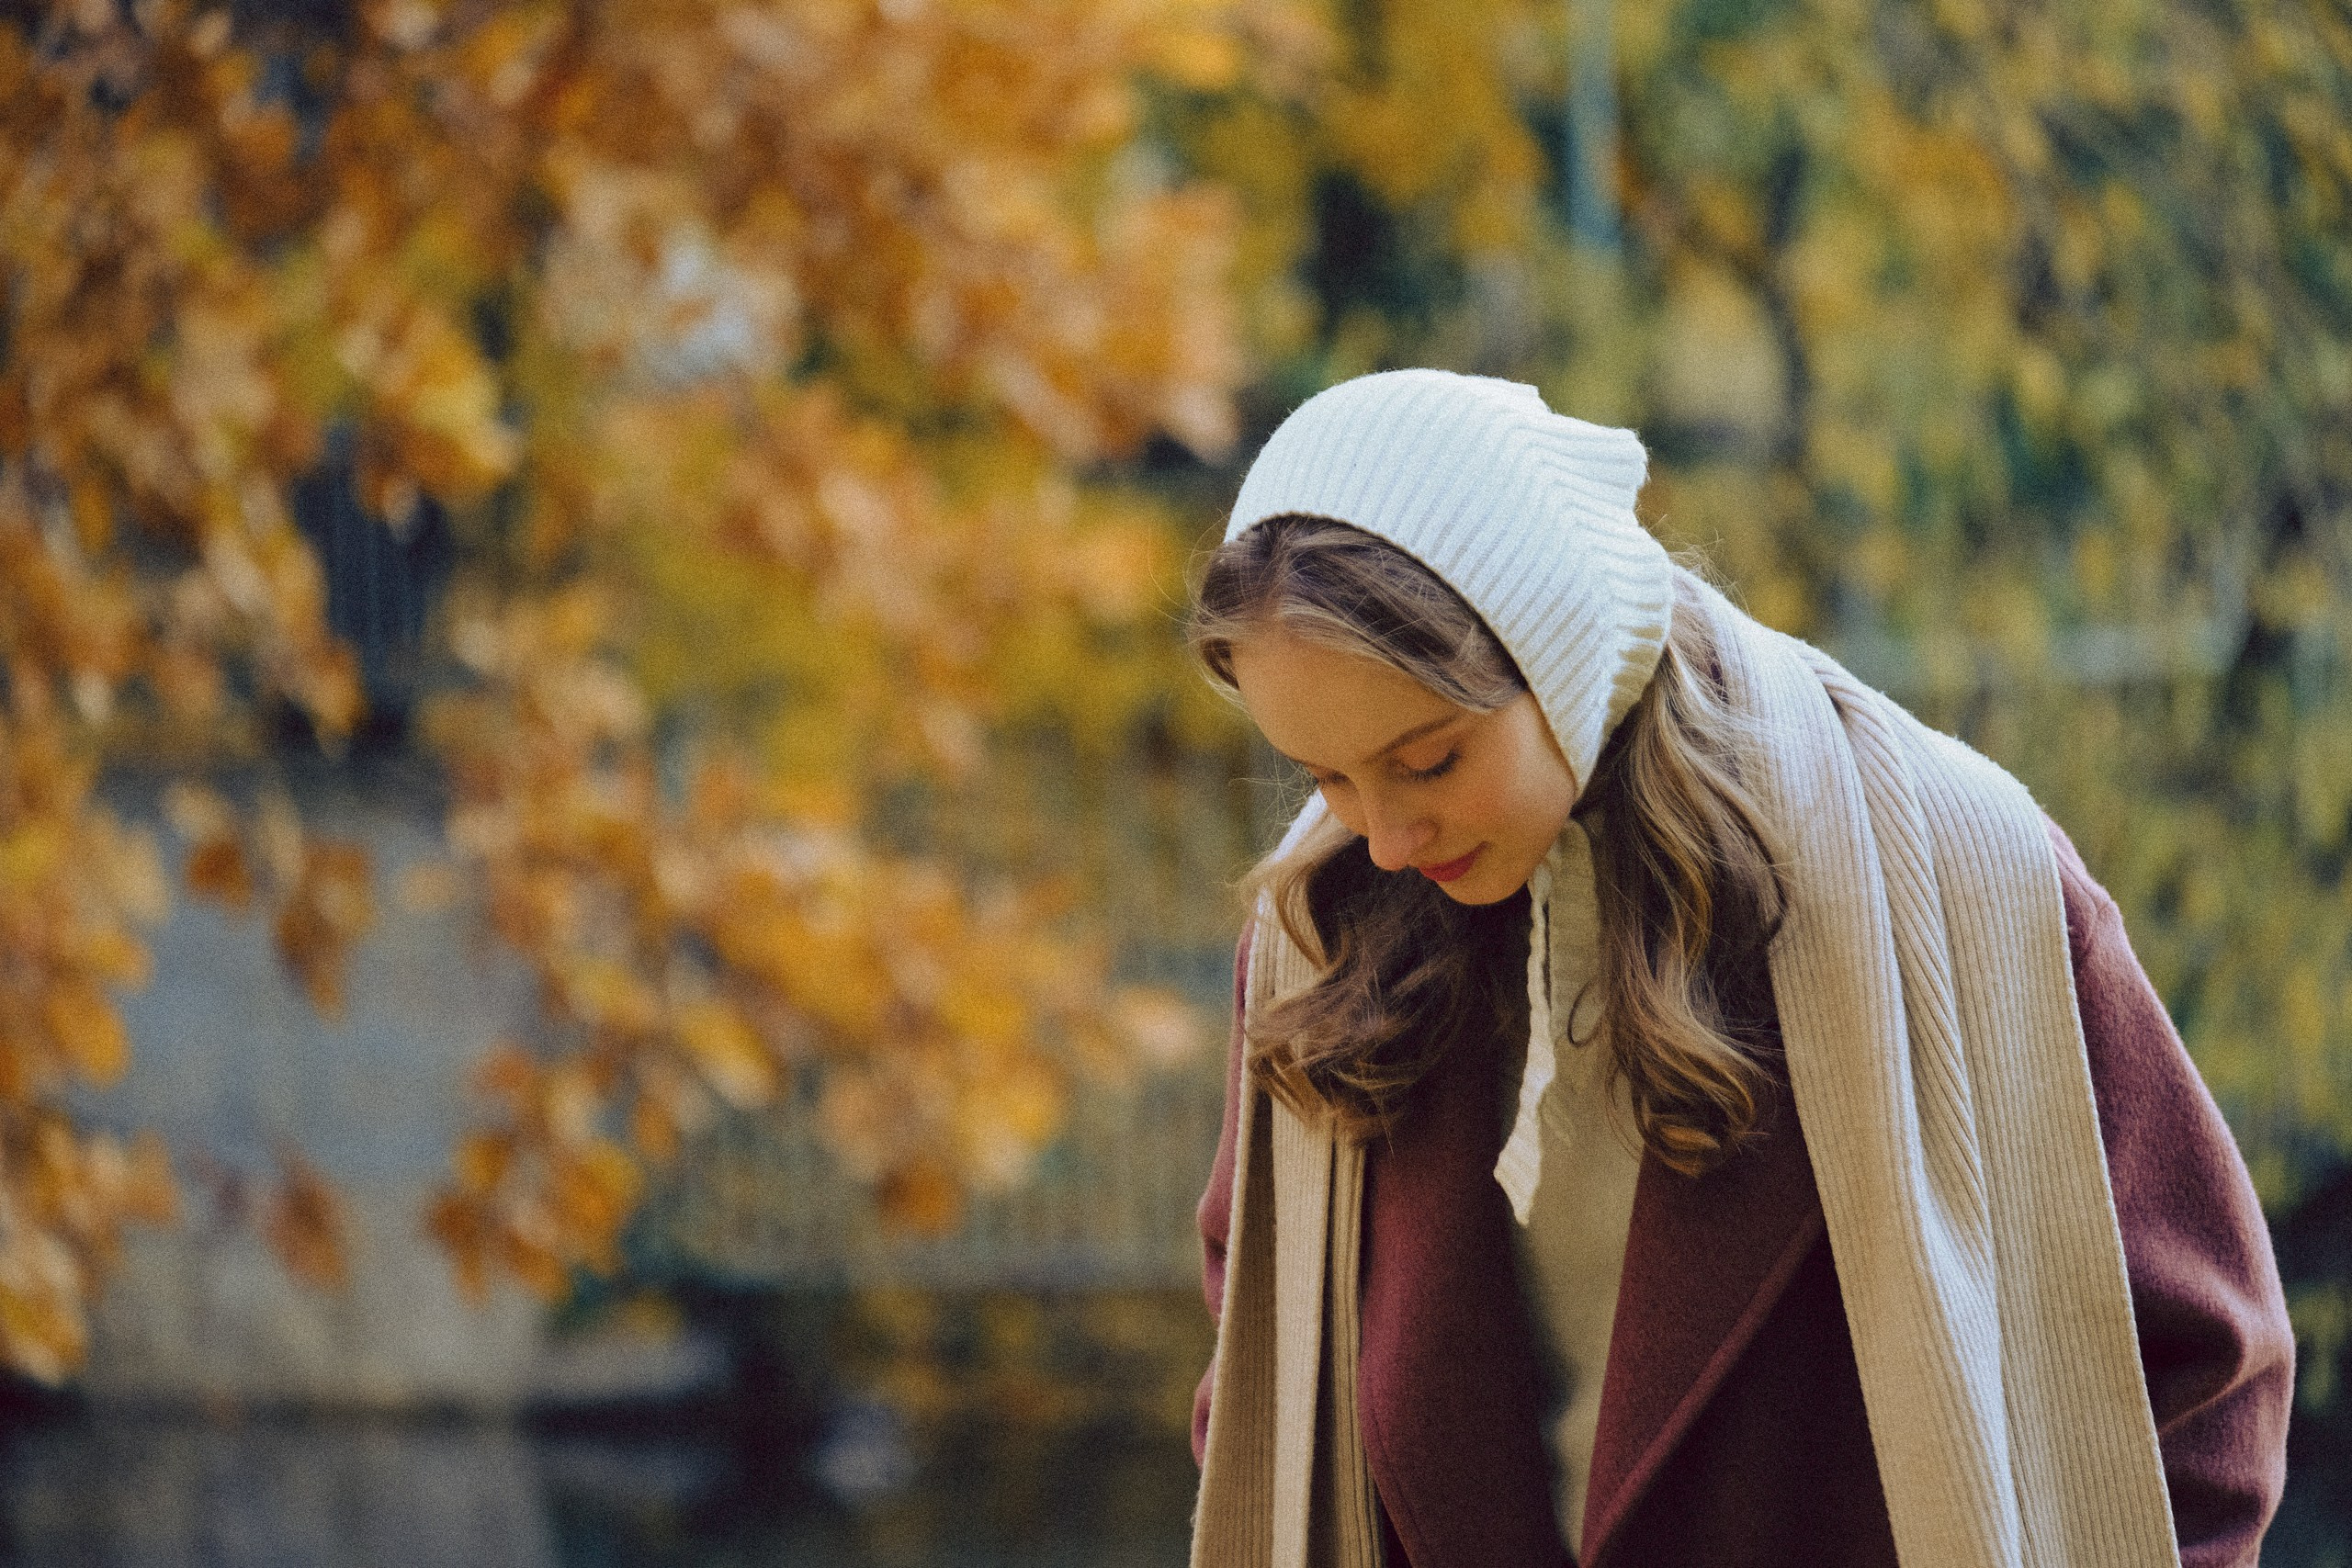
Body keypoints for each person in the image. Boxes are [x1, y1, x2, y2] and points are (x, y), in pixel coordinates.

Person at [1181, 369, 2292, 1568]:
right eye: (1329, 777)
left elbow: (2202, 1372)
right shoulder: (1321, 935)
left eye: (1430, 760)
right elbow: (1260, 1383)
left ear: (1557, 651)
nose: (1384, 836)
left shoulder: (1952, 872)